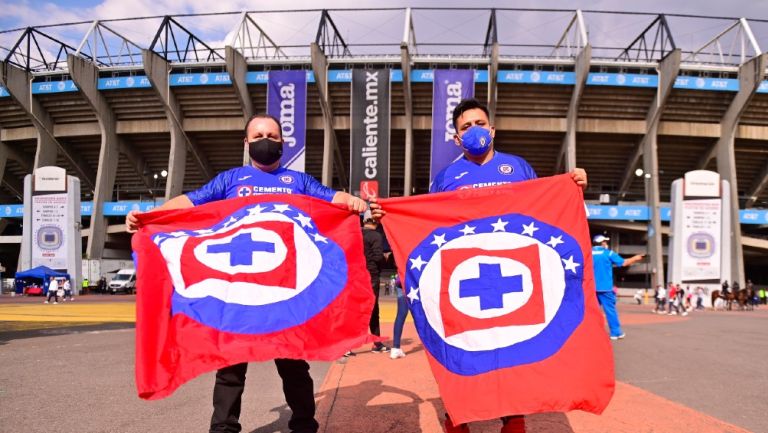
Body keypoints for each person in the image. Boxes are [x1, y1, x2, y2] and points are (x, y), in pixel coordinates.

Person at [126, 113, 368, 433]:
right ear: (246, 143)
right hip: (237, 292)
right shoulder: (230, 180)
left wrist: (354, 202)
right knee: (230, 367)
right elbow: (192, 201)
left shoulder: (297, 182)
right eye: (257, 136)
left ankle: (304, 426)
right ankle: (223, 428)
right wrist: (151, 215)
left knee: (294, 365)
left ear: (282, 142)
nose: (265, 141)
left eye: (271, 135)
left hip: (286, 292)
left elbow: (331, 199)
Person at [372, 98, 588, 433]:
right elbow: (429, 226)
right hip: (464, 275)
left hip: (515, 270)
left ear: (492, 129)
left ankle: (513, 417)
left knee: (512, 350)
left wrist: (572, 188)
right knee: (463, 351)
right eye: (465, 127)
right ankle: (459, 414)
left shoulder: (518, 167)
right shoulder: (447, 177)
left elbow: (543, 212)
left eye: (479, 124)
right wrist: (391, 217)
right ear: (456, 139)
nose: (474, 131)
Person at [591, 235, 644, 338]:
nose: (606, 243)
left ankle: (590, 332)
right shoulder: (608, 253)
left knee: (591, 311)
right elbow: (624, 263)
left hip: (591, 288)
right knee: (610, 311)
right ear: (602, 243)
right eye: (605, 242)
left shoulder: (587, 253)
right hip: (605, 288)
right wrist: (636, 258)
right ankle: (615, 332)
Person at [362, 217, 389, 353]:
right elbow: (378, 256)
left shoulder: (356, 233)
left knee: (354, 309)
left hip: (355, 275)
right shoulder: (376, 236)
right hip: (371, 274)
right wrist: (385, 258)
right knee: (373, 309)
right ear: (376, 224)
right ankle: (377, 343)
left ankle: (346, 346)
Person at [390, 273, 408, 360]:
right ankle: (432, 346)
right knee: (423, 315)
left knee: (401, 314)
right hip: (413, 279)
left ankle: (396, 347)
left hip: (401, 278)